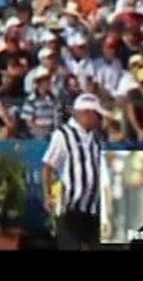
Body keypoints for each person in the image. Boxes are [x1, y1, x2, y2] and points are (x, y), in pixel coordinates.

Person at [42, 93, 114, 250]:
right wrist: (48, 195)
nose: (99, 120)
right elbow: (48, 166)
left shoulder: (96, 138)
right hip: (70, 206)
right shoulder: (63, 135)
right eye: (97, 115)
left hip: (93, 208)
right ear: (86, 114)